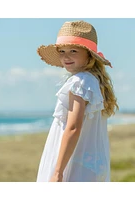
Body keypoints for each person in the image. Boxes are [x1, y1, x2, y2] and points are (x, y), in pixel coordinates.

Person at [36, 20, 119, 182]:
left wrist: (58, 172)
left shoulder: (79, 82)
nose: (66, 56)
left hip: (74, 165)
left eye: (73, 50)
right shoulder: (93, 81)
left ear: (89, 55)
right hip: (91, 163)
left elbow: (73, 127)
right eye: (62, 51)